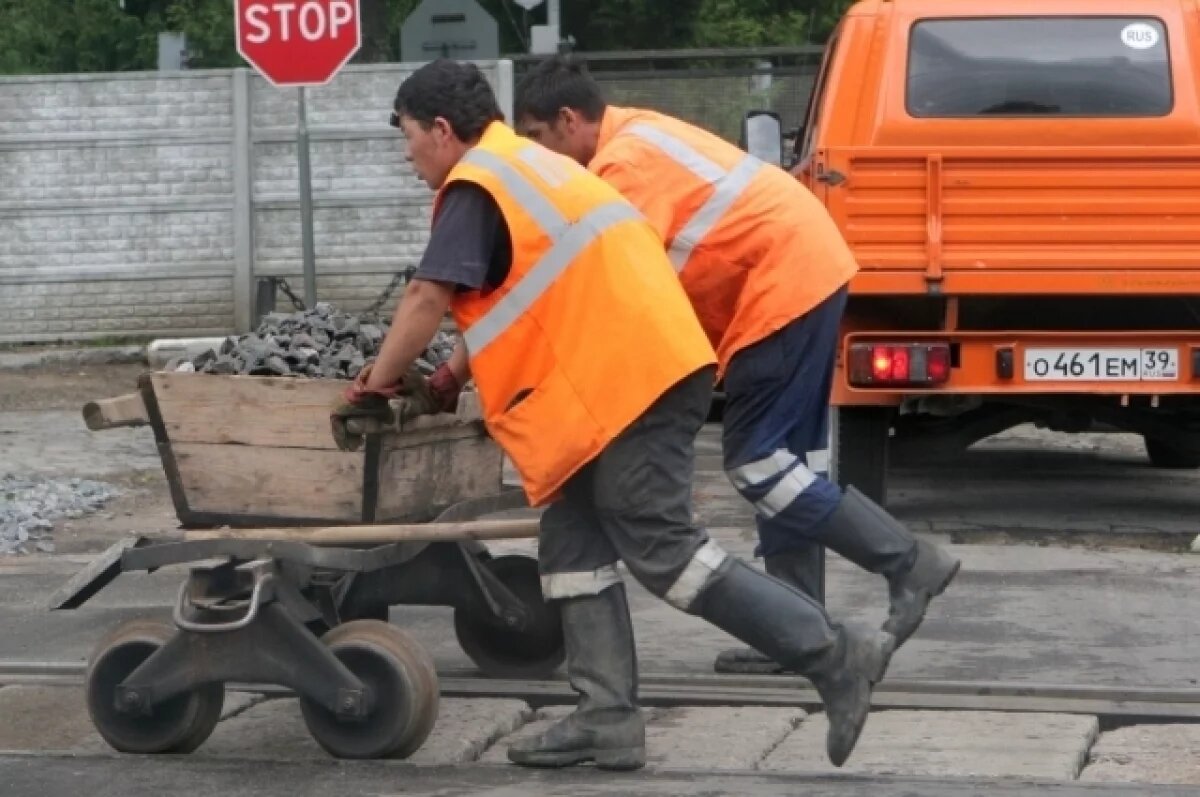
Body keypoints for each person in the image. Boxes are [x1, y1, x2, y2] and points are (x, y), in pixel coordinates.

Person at [330, 58, 895, 772]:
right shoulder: (535, 168)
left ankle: (835, 653)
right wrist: (445, 378)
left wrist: (370, 391)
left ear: (442, 131)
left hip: (631, 381)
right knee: (573, 547)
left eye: (408, 138)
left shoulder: (477, 185)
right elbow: (520, 295)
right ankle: (606, 720)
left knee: (664, 550)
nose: (408, 156)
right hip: (615, 383)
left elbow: (426, 299)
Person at [513, 55, 960, 674]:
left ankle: (908, 563)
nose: (542, 160)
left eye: (537, 140)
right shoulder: (637, 135)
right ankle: (799, 629)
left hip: (780, 286)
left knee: (758, 462)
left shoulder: (623, 168)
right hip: (803, 269)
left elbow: (620, 288)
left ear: (567, 120)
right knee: (787, 467)